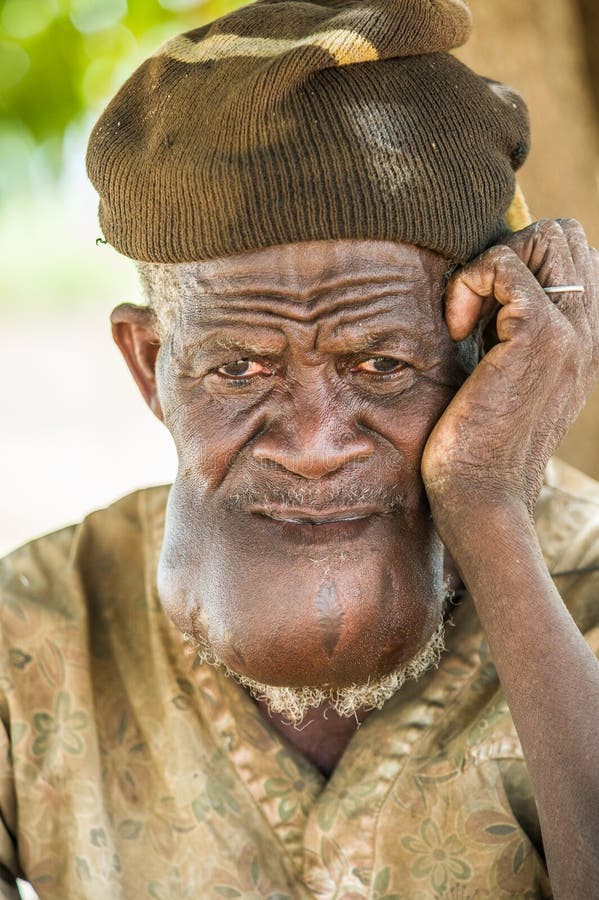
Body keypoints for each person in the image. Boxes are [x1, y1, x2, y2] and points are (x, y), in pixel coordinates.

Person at [1, 0, 598, 896]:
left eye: (380, 363)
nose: (315, 442)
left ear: (485, 353)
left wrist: (485, 504)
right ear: (153, 364)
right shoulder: (30, 640)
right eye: (237, 367)